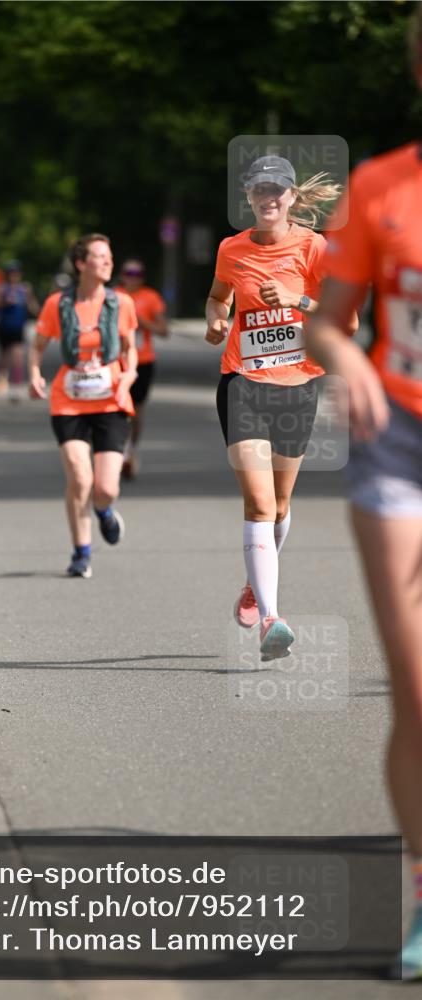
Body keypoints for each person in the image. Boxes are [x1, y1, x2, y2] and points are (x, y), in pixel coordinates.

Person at [305, 13, 422, 979]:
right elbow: (326, 323)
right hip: (400, 442)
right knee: (419, 688)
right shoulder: (380, 188)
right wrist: (345, 358)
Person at [205, 155, 350, 660]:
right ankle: (271, 617)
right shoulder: (232, 248)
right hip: (242, 382)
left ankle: (253, 585)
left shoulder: (314, 248)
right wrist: (216, 320)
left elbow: (346, 323)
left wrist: (297, 299)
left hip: (298, 387)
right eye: (259, 190)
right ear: (248, 196)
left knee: (282, 506)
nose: (268, 198)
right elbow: (218, 298)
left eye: (278, 191)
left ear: (291, 198)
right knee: (260, 505)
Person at [29, 233, 138, 578]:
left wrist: (130, 374)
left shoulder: (121, 303)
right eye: (99, 257)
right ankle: (81, 552)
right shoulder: (57, 305)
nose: (108, 262)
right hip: (69, 401)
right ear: (81, 264)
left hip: (110, 400)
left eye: (109, 256)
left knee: (106, 488)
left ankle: (105, 512)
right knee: (79, 477)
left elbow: (129, 347)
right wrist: (34, 374)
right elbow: (37, 346)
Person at [116, 259, 168, 478]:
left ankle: (131, 450)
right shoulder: (112, 295)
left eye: (137, 273)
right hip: (115, 361)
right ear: (121, 274)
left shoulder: (151, 297)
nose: (133, 277)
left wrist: (140, 321)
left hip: (142, 360)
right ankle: (117, 453)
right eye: (129, 272)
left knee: (136, 412)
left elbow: (164, 330)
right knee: (116, 410)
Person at [0, 261, 39, 399]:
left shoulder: (24, 288)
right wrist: (4, 301)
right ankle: (1, 377)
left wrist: (40, 314)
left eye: (16, 273)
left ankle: (16, 384)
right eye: (11, 273)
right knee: (4, 356)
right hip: (4, 326)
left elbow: (32, 305)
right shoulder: (1, 288)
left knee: (18, 356)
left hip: (18, 327)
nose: (14, 275)